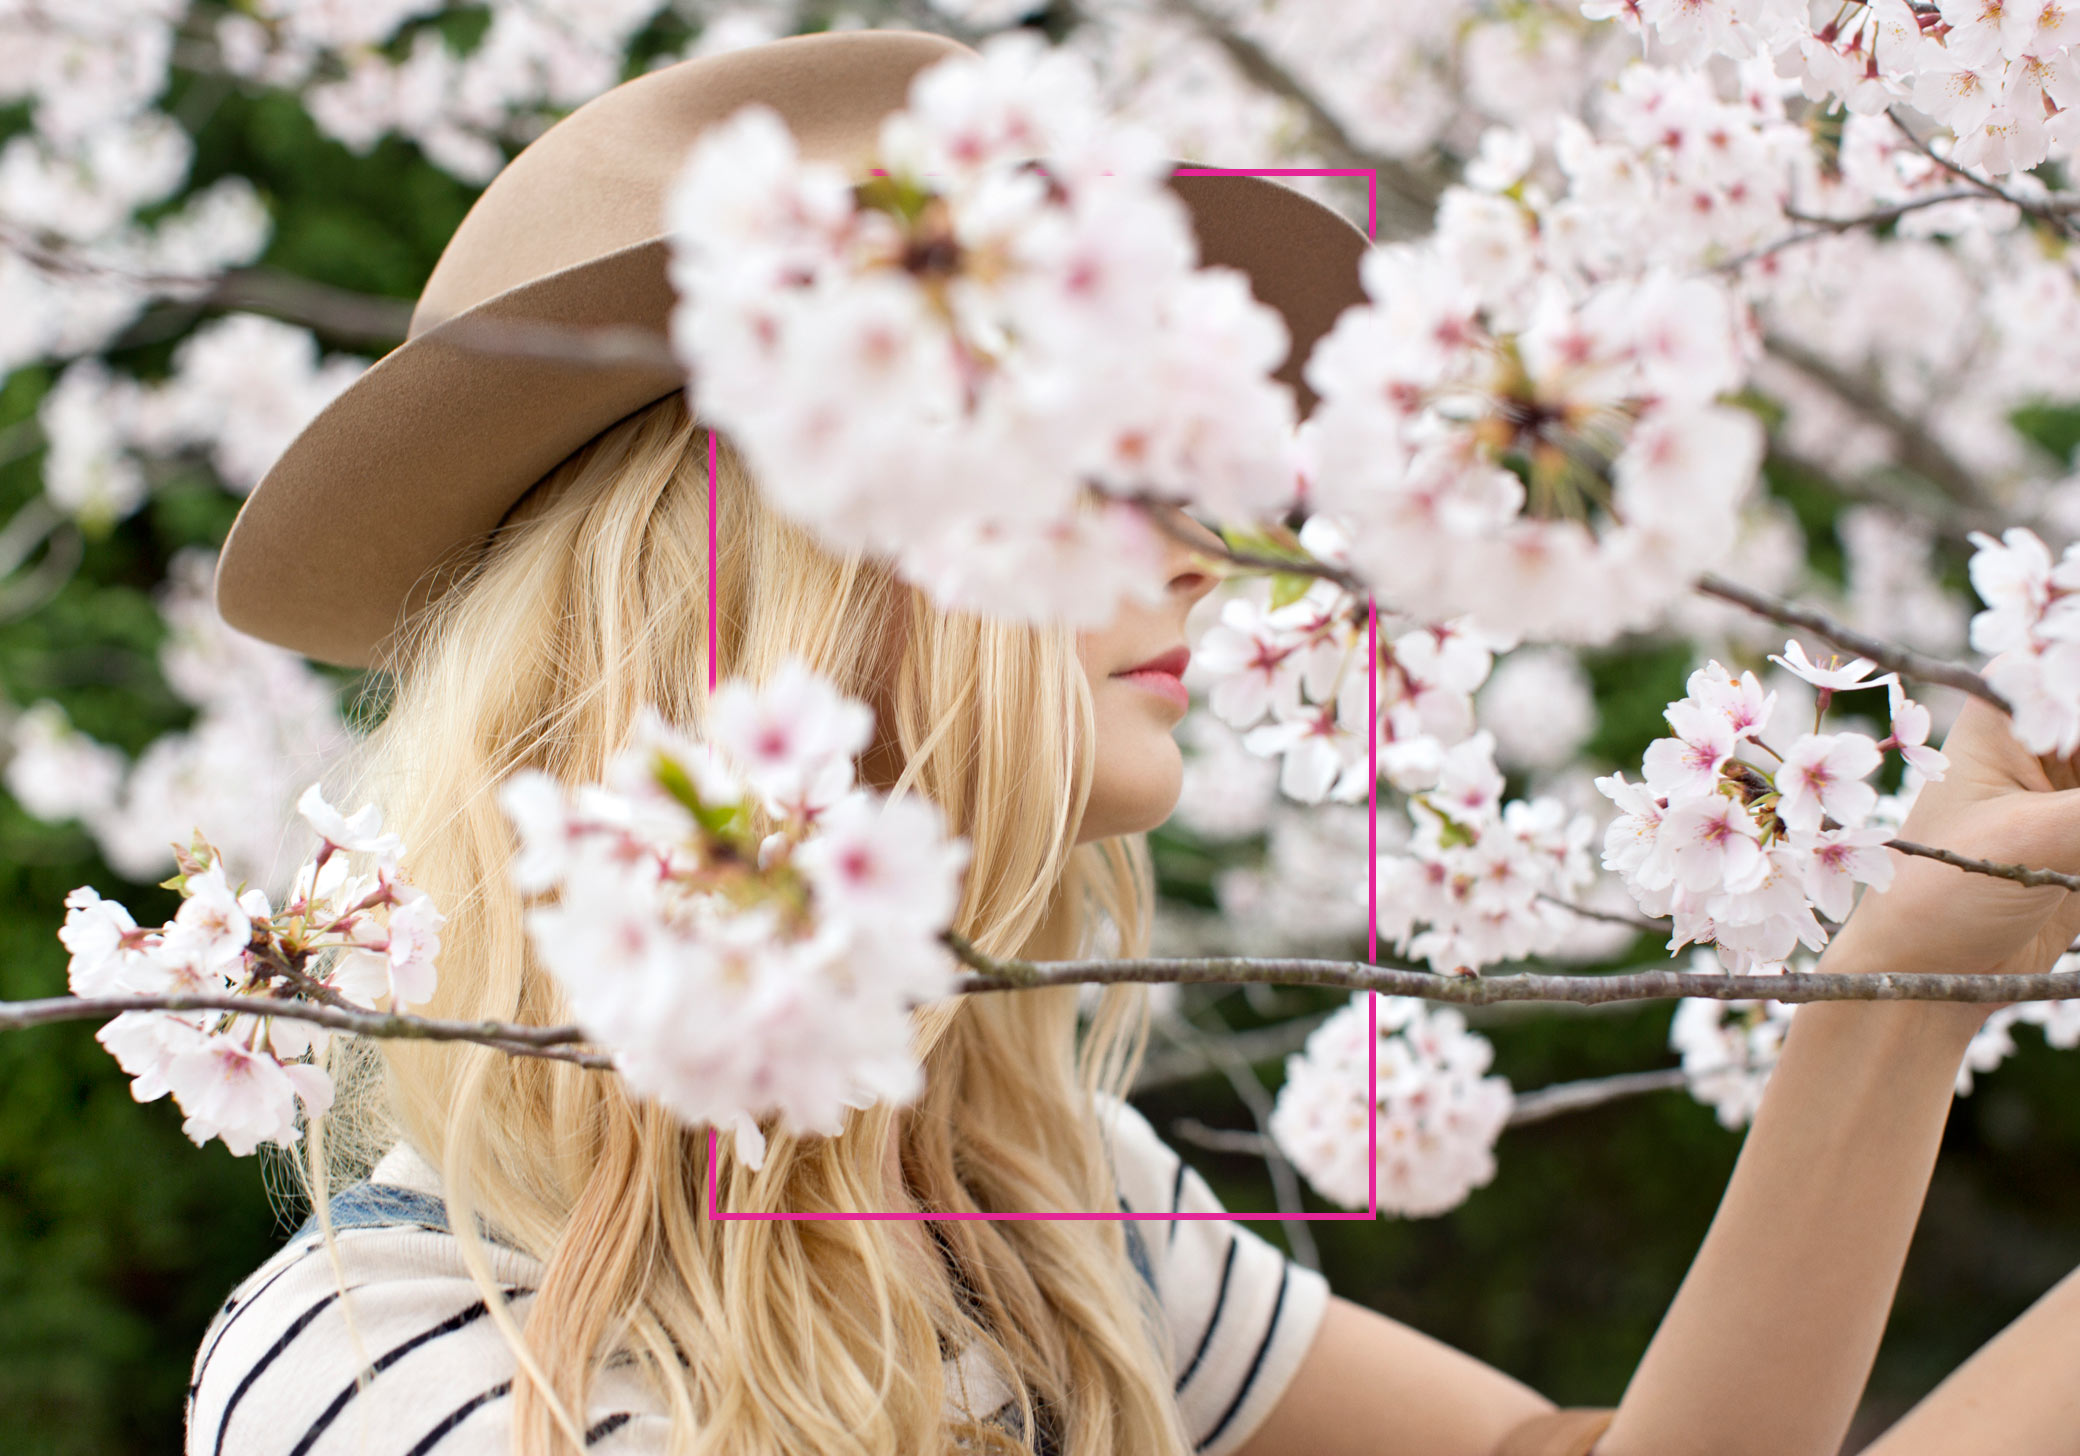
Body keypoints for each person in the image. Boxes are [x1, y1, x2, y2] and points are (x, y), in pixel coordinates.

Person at [182, 26, 2080, 1456]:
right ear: (802, 561)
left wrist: (1902, 986)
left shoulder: (1031, 1207)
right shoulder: (402, 1377)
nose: (1212, 551)